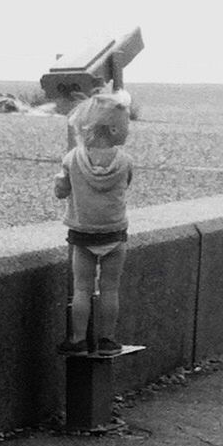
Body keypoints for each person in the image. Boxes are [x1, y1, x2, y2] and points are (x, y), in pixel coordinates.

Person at [54, 90, 133, 356]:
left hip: (83, 234)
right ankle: (107, 340)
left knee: (82, 289)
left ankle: (78, 339)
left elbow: (61, 191)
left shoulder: (72, 159)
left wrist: (63, 182)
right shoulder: (124, 161)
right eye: (126, 126)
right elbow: (126, 185)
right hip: (114, 234)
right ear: (112, 129)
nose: (128, 131)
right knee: (110, 289)